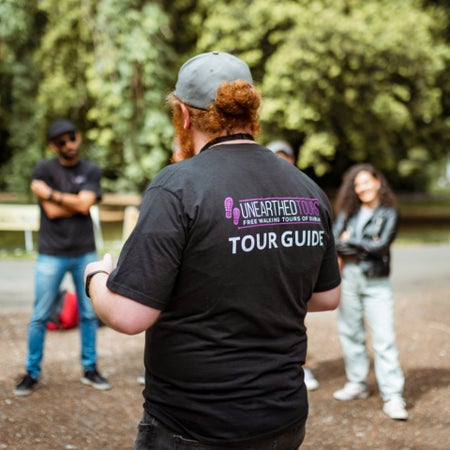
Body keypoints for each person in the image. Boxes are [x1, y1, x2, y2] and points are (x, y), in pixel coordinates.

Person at [84, 51, 341, 449]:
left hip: (195, 425)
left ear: (184, 116)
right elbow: (327, 296)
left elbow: (128, 315)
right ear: (249, 111)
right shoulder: (306, 187)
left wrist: (96, 278)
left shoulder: (178, 186)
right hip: (284, 419)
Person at [13, 118, 111, 396]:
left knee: (89, 314)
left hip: (85, 253)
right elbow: (62, 211)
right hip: (51, 254)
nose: (68, 144)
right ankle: (32, 372)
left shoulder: (91, 169)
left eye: (71, 138)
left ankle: (90, 369)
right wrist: (76, 202)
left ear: (77, 137)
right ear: (53, 146)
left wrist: (54, 195)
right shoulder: (43, 168)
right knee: (40, 315)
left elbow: (84, 204)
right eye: (61, 142)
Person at [332, 163, 408, 420]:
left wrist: (349, 240)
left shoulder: (389, 214)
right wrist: (364, 244)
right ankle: (357, 383)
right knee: (350, 332)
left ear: (377, 182)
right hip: (349, 278)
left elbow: (381, 247)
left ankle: (393, 396)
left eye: (366, 181)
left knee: (384, 338)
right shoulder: (348, 212)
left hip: (376, 281)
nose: (362, 187)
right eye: (357, 184)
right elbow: (334, 241)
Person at [267, 139, 319, 392]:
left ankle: (301, 366)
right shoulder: (260, 187)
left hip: (293, 267)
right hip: (266, 265)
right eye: (275, 155)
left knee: (296, 319)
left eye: (284, 156)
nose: (280, 160)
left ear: (292, 160)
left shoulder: (303, 189)